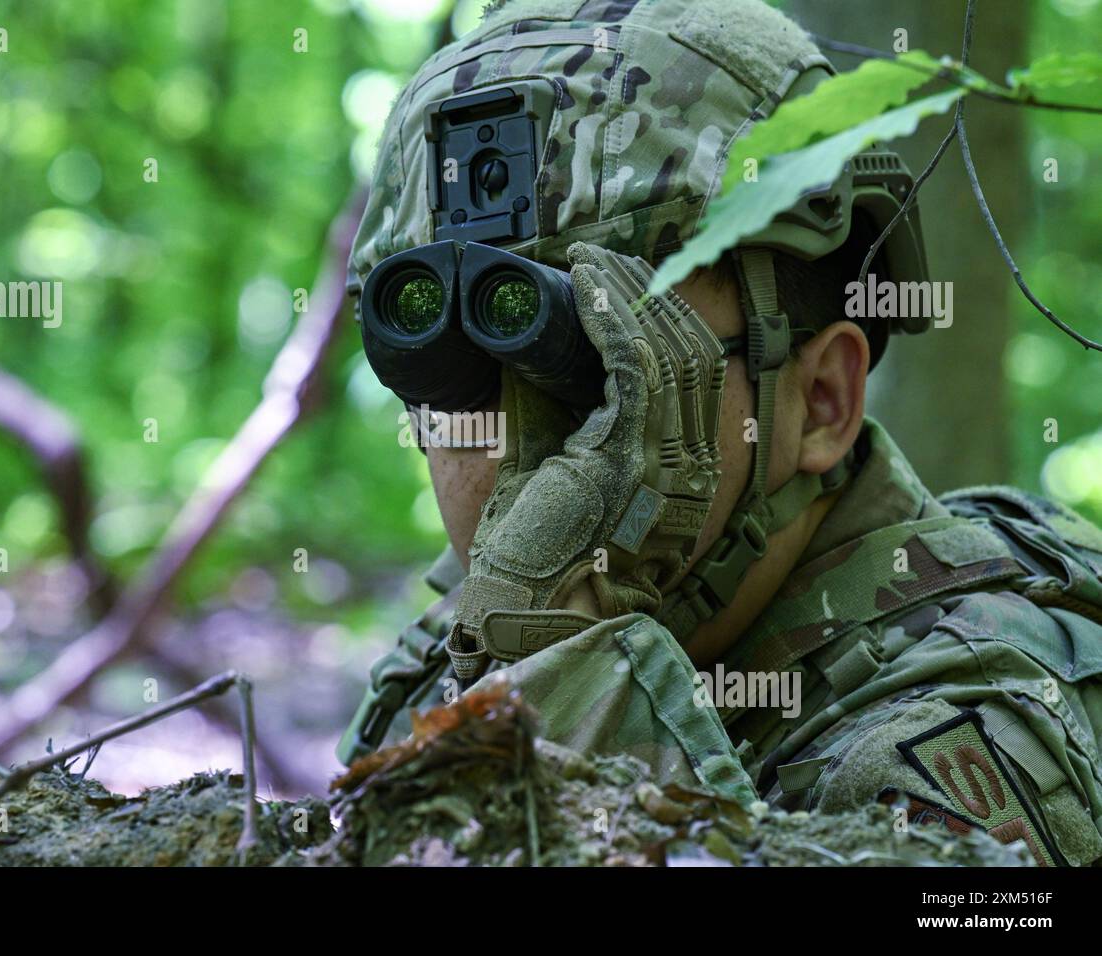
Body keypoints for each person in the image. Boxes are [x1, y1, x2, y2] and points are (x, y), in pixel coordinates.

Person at [338, 0, 1102, 867]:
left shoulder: (956, 733)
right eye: (459, 384)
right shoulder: (457, 649)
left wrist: (568, 679)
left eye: (608, 373)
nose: (518, 457)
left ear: (820, 402)